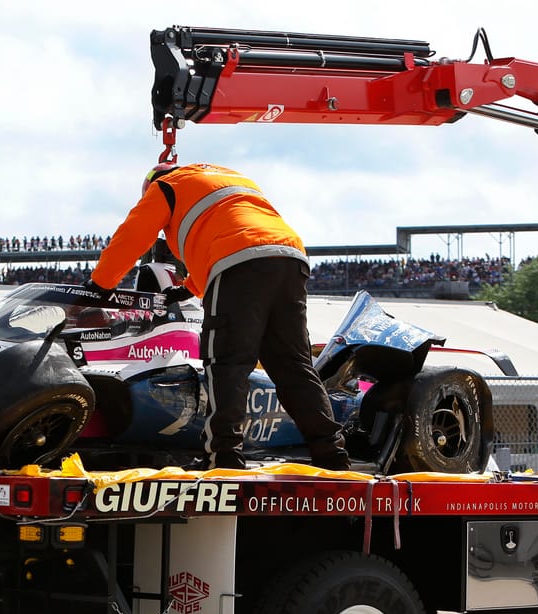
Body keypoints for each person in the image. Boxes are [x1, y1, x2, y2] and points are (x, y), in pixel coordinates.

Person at [85, 162, 351, 471]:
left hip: (238, 260)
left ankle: (224, 457)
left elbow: (133, 235)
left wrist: (101, 284)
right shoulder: (227, 179)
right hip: (290, 257)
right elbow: (225, 231)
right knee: (294, 367)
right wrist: (188, 289)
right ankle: (332, 455)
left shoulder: (166, 186)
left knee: (227, 363)